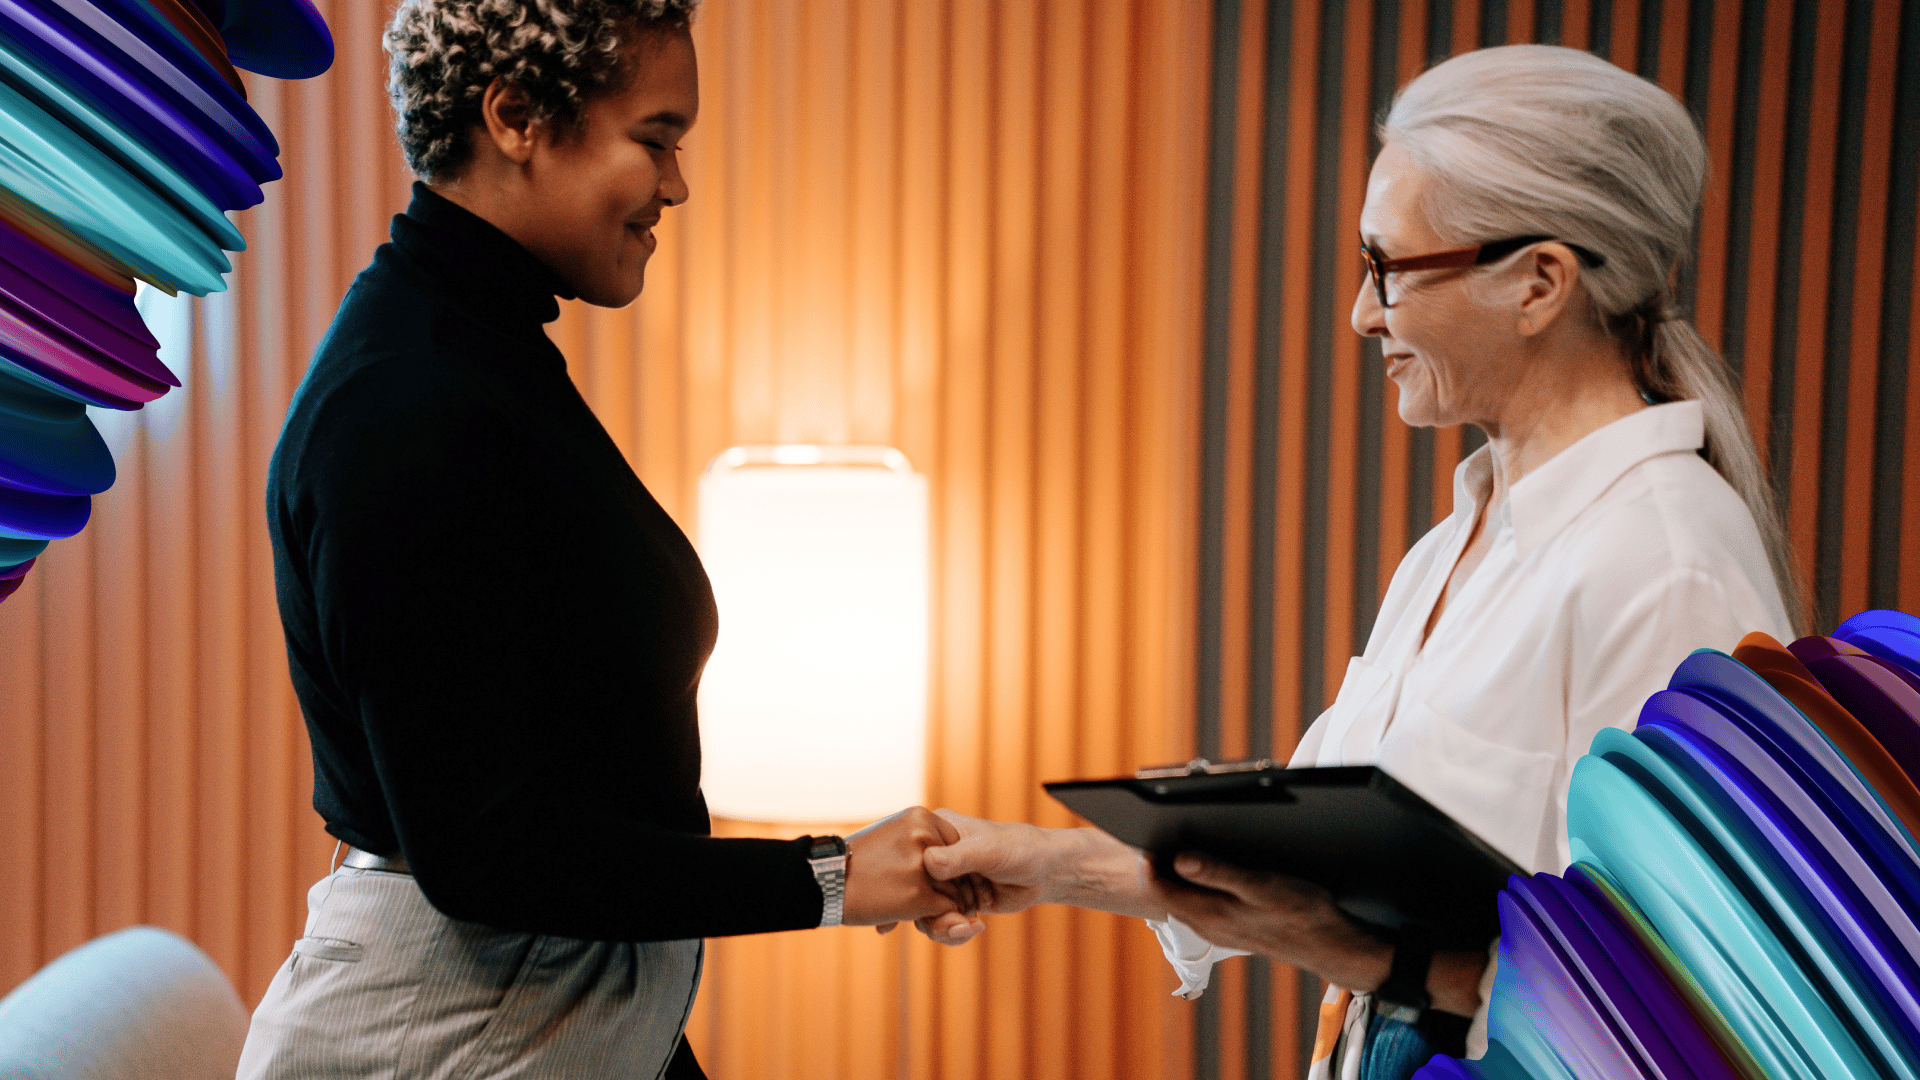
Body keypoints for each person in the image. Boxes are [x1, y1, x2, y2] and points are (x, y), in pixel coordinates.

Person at [910, 43, 1798, 1080]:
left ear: (1538, 284)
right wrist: (1051, 862)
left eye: (1388, 268)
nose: (1362, 313)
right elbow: (1312, 871)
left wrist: (1353, 952)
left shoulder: (1666, 561)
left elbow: (1678, 1012)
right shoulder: (1450, 549)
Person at [236, 3, 974, 1078]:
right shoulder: (406, 403)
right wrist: (830, 877)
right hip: (440, 1036)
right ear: (517, 116)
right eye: (657, 140)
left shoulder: (483, 355)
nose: (677, 186)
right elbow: (488, 850)